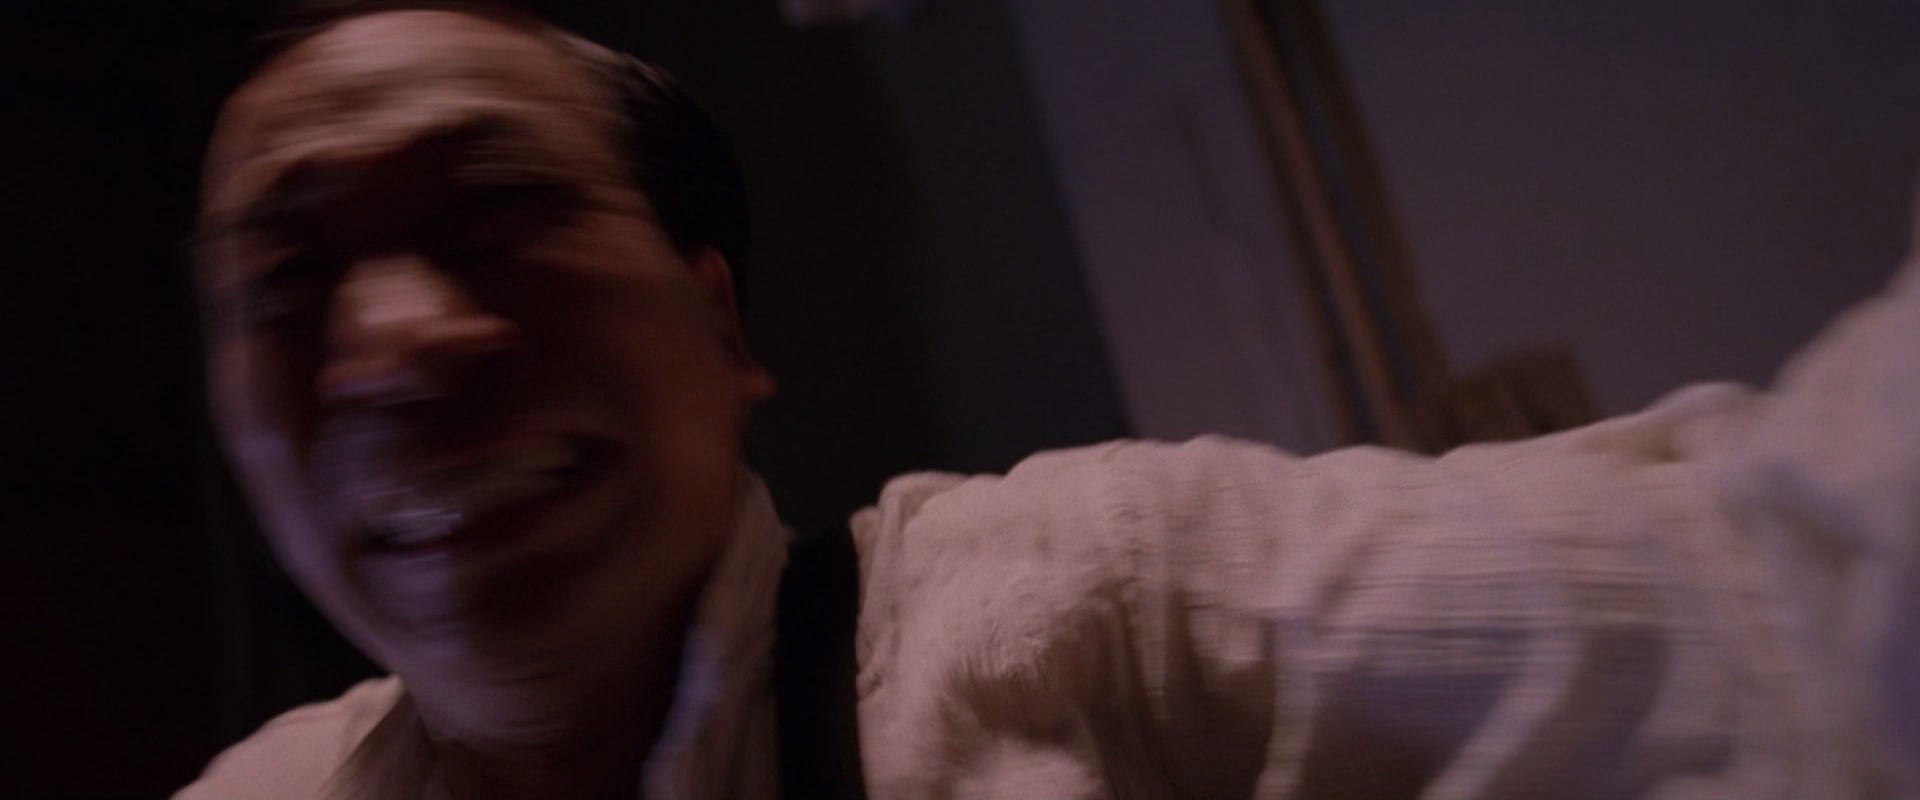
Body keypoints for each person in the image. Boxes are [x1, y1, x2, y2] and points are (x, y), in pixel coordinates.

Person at [178, 2, 1920, 798]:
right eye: (287, 281)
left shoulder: (1072, 604)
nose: (397, 347)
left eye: (501, 208)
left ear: (718, 325)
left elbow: (1790, 595)